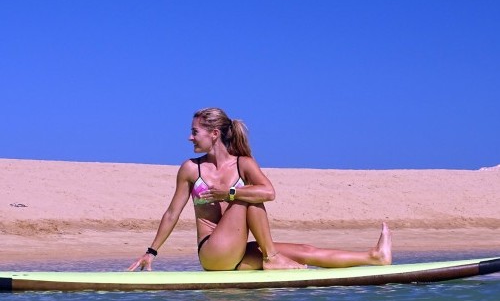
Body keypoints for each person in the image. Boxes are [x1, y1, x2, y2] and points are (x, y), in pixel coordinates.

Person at [129, 107, 392, 272]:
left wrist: (229, 193)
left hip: (240, 253)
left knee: (304, 249)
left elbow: (270, 192)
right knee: (247, 198)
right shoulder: (190, 169)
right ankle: (273, 257)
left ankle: (374, 257)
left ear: (214, 134)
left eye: (194, 131)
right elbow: (172, 213)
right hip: (213, 254)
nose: (190, 137)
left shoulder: (244, 164)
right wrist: (151, 252)